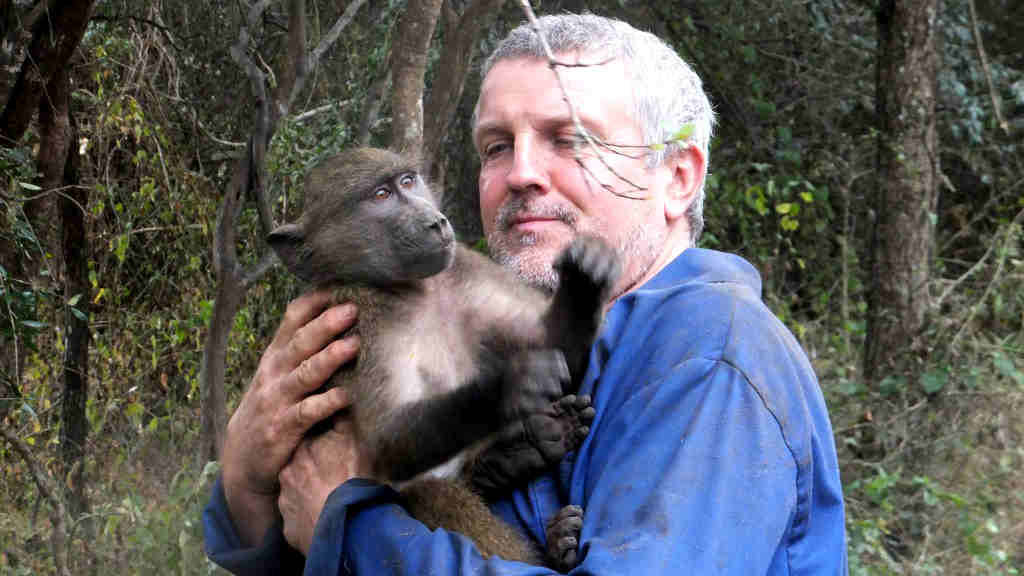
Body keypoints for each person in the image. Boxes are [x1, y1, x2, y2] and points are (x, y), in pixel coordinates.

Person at [204, 13, 848, 575]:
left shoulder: (710, 358)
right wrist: (245, 481)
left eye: (569, 139)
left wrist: (353, 528)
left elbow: (360, 511)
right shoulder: (571, 329)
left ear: (677, 177)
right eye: (496, 147)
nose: (521, 174)